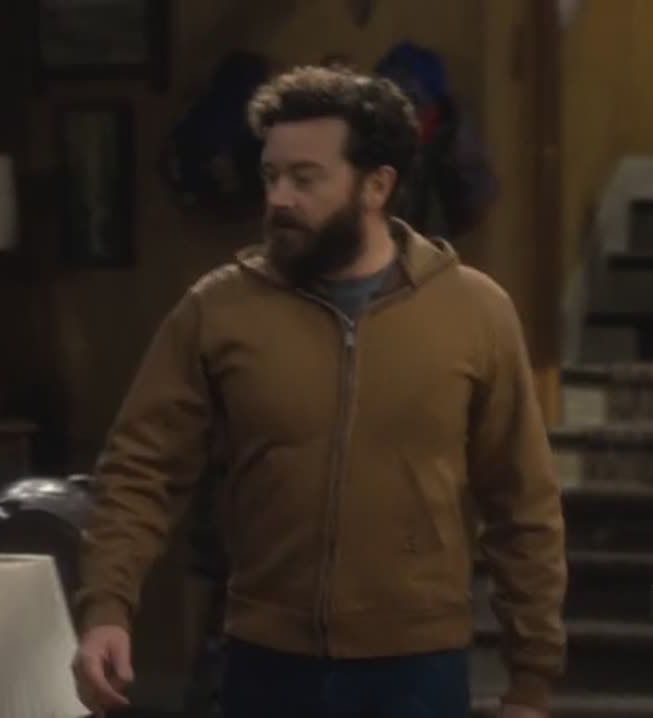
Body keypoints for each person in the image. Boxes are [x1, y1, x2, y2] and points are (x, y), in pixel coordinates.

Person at [72, 65, 566, 718]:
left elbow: (522, 502)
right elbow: (141, 470)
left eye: (305, 179)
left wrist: (531, 679)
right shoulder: (220, 309)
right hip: (264, 661)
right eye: (271, 176)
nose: (279, 198)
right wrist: (107, 608)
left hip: (417, 667)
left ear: (376, 185)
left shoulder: (475, 312)